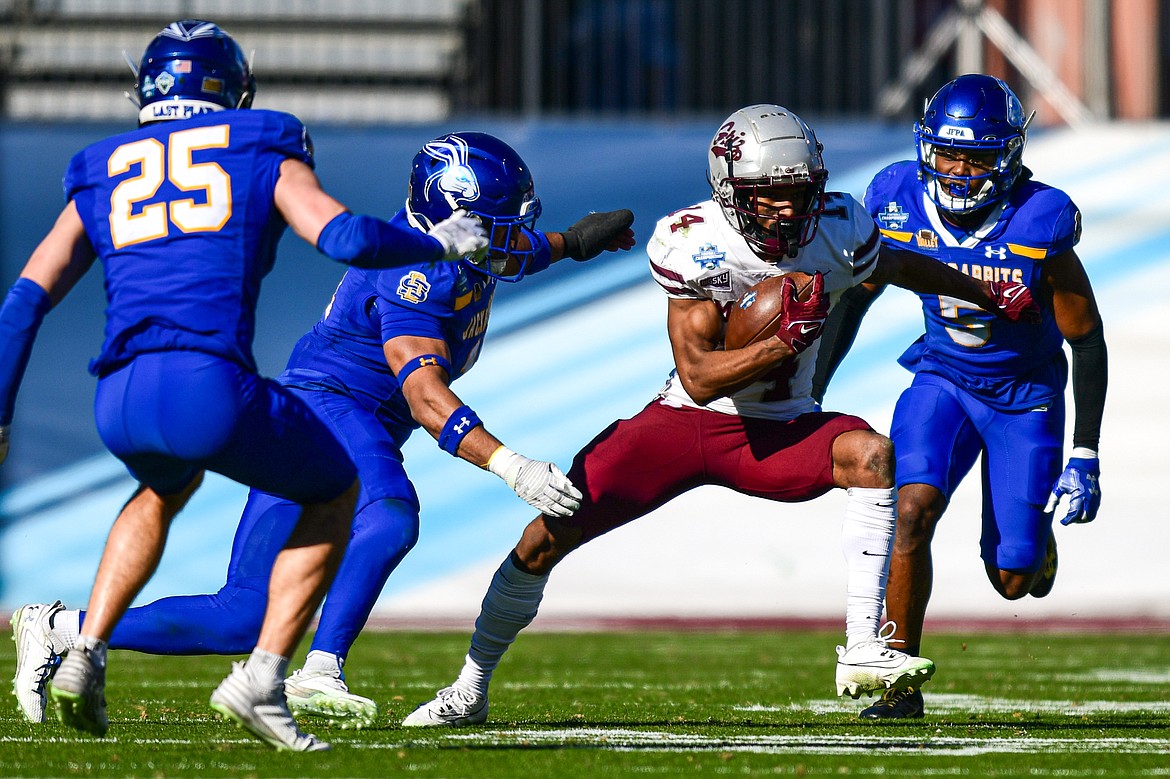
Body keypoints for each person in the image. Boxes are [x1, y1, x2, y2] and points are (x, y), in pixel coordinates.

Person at [399, 103, 1043, 727]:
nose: (789, 209)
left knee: (874, 457)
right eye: (770, 194)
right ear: (730, 188)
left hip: (782, 426)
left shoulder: (840, 227)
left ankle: (862, 650)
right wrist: (781, 341)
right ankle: (469, 686)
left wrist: (982, 287)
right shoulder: (695, 243)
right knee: (543, 540)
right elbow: (699, 379)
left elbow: (895, 263)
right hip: (684, 425)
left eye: (800, 191)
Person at [10, 131, 636, 730]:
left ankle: (59, 628)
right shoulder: (415, 273)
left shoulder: (462, 240)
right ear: (455, 220)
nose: (514, 234)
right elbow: (423, 397)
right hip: (331, 409)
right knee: (389, 517)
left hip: (319, 414)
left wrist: (575, 242)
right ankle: (320, 670)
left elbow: (512, 249)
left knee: (239, 617)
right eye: (501, 221)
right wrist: (510, 465)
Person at [0, 20, 491, 751]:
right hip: (205, 383)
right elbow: (345, 238)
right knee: (338, 489)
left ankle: (79, 641)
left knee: (161, 494)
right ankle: (267, 677)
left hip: (119, 393)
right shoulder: (258, 141)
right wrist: (434, 242)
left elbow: (24, 301)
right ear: (233, 89)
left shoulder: (101, 165)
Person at [812, 74, 1106, 720]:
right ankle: (900, 685)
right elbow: (856, 298)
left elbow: (1085, 338)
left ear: (1007, 156)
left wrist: (1085, 452)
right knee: (910, 510)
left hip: (1024, 396)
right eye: (949, 152)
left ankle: (1032, 549)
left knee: (1012, 577)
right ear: (926, 148)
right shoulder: (895, 200)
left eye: (976, 156)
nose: (960, 169)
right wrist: (814, 388)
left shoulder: (1039, 218)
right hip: (942, 378)